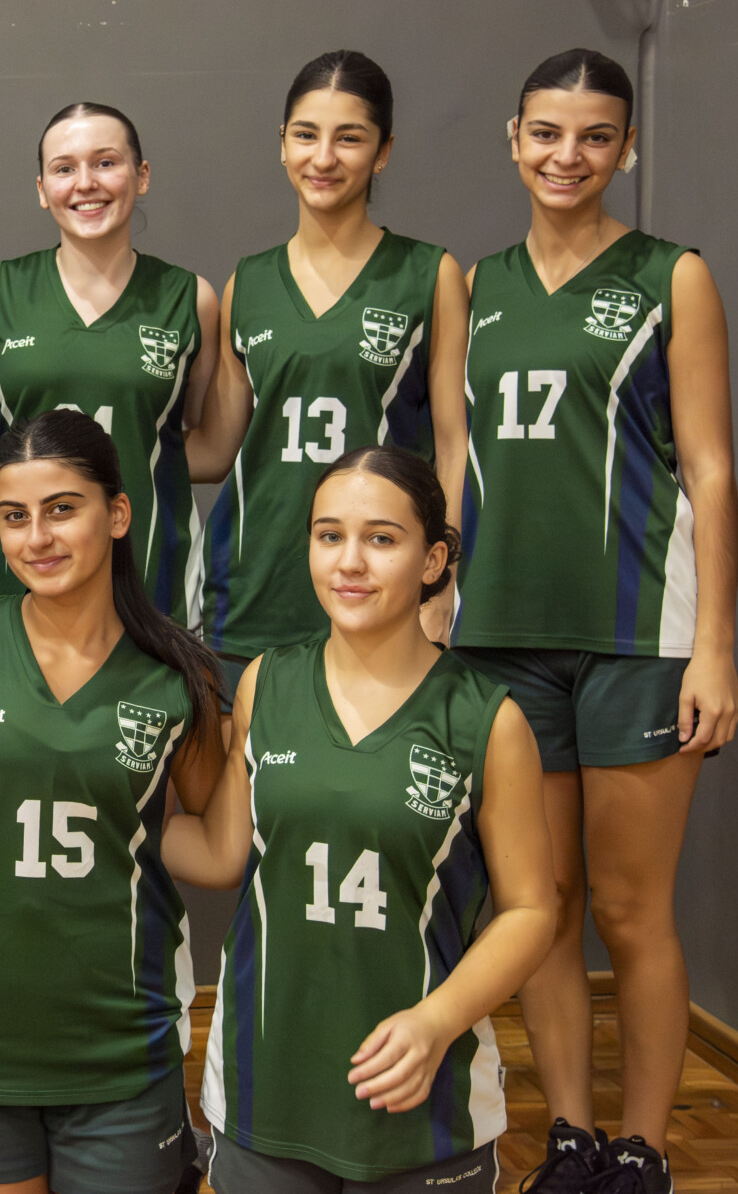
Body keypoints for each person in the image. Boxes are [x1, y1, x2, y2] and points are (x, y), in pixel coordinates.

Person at [455, 49, 738, 1194]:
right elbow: (450, 458)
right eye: (544, 132)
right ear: (511, 139)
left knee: (628, 907)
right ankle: (570, 1134)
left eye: (591, 136)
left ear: (623, 148)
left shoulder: (672, 275)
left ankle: (643, 1147)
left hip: (635, 635)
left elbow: (709, 469)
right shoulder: (471, 286)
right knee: (542, 902)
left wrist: (714, 643)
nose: (564, 155)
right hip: (496, 636)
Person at [183, 446, 554, 1193]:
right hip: (266, 1084)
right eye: (330, 535)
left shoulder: (489, 719)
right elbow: (222, 851)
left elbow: (531, 911)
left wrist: (437, 1020)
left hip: (424, 1100)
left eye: (381, 538)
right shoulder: (263, 685)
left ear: (433, 558)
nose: (350, 561)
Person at [0, 408, 238, 1194]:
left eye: (61, 508)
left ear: (117, 513)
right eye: (14, 516)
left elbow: (210, 844)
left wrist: (257, 716)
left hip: (121, 1038)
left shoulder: (177, 673)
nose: (37, 537)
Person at [187, 52, 470, 722]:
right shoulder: (247, 283)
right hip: (253, 585)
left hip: (376, 585)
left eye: (349, 137)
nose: (324, 157)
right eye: (306, 134)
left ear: (383, 152)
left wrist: (440, 586)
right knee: (238, 786)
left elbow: (455, 448)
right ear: (282, 144)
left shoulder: (430, 274)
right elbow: (217, 450)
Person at [0, 103, 219, 626]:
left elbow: (198, 444)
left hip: (151, 577)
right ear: (42, 189)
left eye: (106, 162)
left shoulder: (190, 298)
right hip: (17, 576)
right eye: (65, 168)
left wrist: (125, 467)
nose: (86, 183)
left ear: (141, 175)